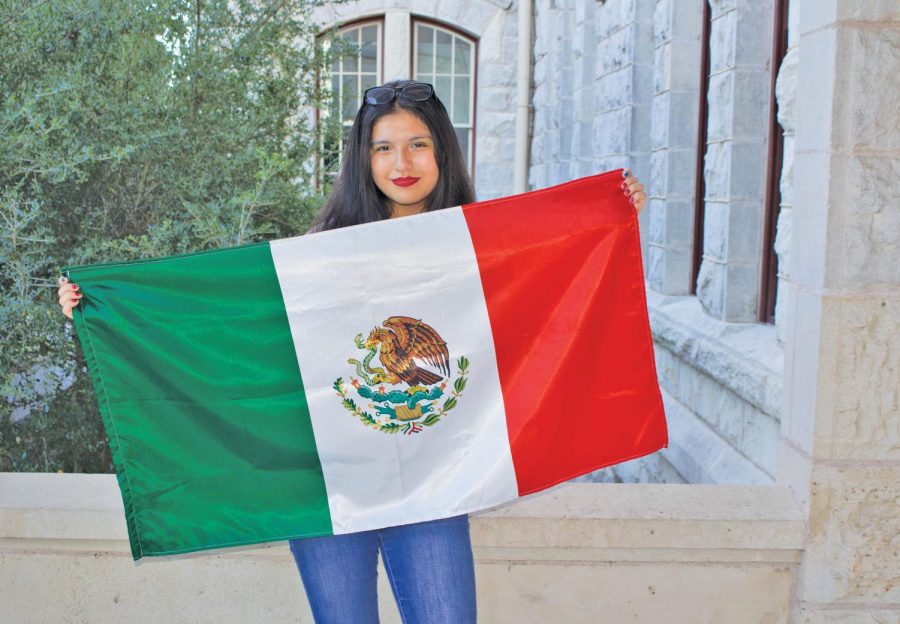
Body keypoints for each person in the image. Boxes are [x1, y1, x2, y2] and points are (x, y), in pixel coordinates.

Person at [57, 79, 646, 623]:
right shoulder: (318, 253)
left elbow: (555, 276)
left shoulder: (479, 247)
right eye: (383, 148)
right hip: (329, 490)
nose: (402, 163)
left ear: (443, 151)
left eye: (418, 144)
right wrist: (104, 306)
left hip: (434, 486)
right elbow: (221, 317)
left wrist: (610, 217)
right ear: (363, 160)